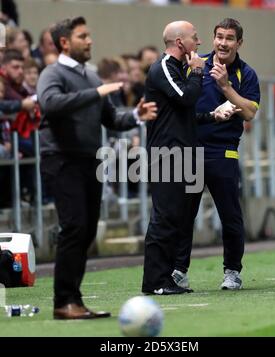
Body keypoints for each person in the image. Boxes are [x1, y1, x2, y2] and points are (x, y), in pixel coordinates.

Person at [37, 17, 157, 319]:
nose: (90, 40)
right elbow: (49, 104)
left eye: (88, 35)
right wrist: (97, 94)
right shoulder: (52, 73)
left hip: (90, 160)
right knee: (75, 227)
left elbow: (112, 118)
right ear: (65, 42)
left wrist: (137, 115)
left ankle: (72, 300)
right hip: (61, 159)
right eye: (83, 36)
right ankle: (64, 302)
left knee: (87, 230)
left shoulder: (91, 77)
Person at [141, 21, 238, 295]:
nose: (199, 43)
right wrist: (198, 71)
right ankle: (155, 281)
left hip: (183, 153)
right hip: (166, 154)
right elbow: (187, 98)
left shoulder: (176, 69)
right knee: (164, 218)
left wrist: (212, 116)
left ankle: (166, 277)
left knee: (177, 219)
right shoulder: (163, 68)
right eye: (195, 38)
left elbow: (184, 115)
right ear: (180, 43)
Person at [173, 18, 260, 291]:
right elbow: (180, 104)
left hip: (224, 152)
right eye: (219, 36)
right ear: (213, 39)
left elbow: (249, 112)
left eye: (230, 38)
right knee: (185, 214)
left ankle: (232, 271)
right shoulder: (195, 64)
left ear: (239, 43)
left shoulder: (246, 74)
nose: (223, 42)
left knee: (230, 215)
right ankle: (178, 271)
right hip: (191, 149)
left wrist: (226, 87)